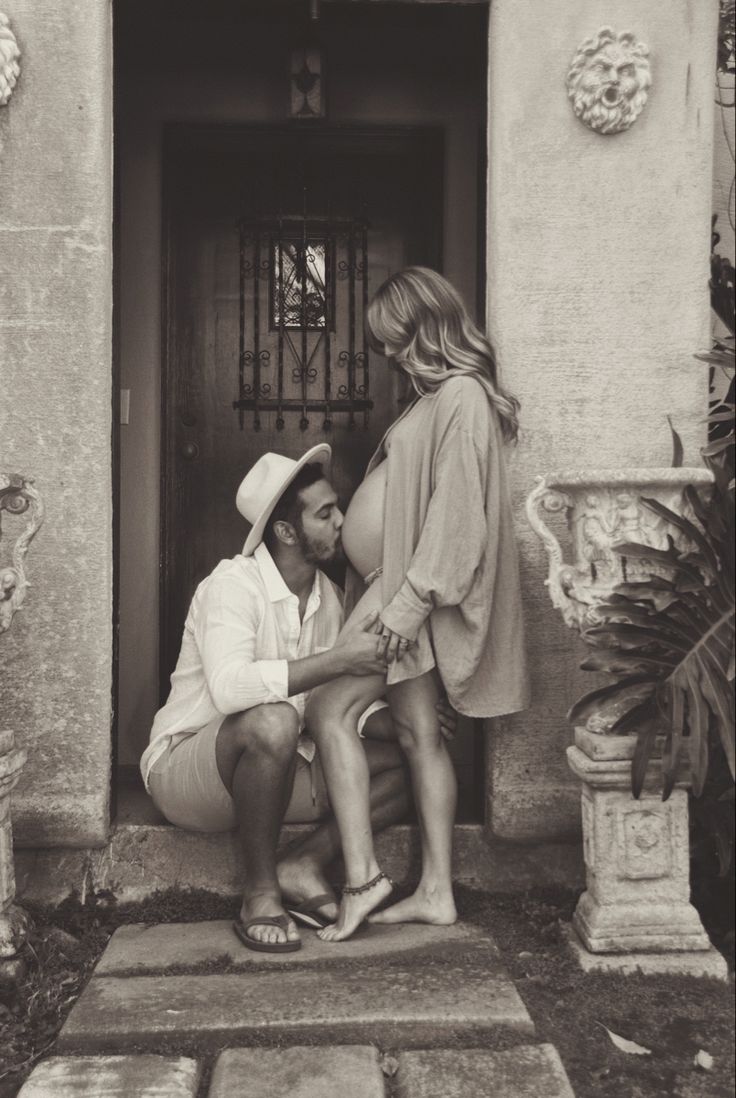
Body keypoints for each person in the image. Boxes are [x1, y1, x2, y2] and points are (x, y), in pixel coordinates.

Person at [306, 267, 530, 942]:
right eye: (385, 346)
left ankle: (363, 878)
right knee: (415, 735)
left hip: (409, 598)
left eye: (397, 340)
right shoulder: (435, 397)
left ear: (429, 325)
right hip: (400, 590)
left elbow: (457, 520)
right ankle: (436, 892)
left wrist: (405, 607)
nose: (392, 356)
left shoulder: (461, 395)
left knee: (328, 708)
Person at [140, 446, 412, 953]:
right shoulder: (232, 585)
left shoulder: (328, 598)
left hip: (277, 772)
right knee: (271, 721)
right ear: (287, 532)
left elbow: (327, 705)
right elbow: (230, 689)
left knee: (410, 756)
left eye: (339, 507)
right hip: (188, 773)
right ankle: (260, 894)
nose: (343, 521)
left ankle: (302, 863)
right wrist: (340, 660)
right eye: (326, 513)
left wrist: (393, 724)